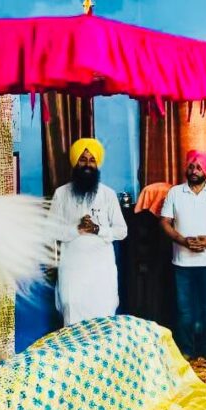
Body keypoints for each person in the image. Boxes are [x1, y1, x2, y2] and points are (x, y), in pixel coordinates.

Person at [160, 150, 206, 359]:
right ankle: (186, 350)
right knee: (184, 311)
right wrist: (183, 241)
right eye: (191, 166)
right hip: (182, 263)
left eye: (199, 167)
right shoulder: (175, 192)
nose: (194, 171)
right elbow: (164, 222)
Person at [49, 138, 128, 325]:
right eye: (82, 159)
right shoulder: (61, 194)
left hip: (101, 270)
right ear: (75, 162)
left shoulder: (108, 194)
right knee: (72, 318)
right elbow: (50, 230)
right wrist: (77, 229)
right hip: (72, 270)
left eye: (92, 160)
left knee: (102, 318)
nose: (87, 164)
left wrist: (97, 229)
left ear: (97, 164)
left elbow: (122, 231)